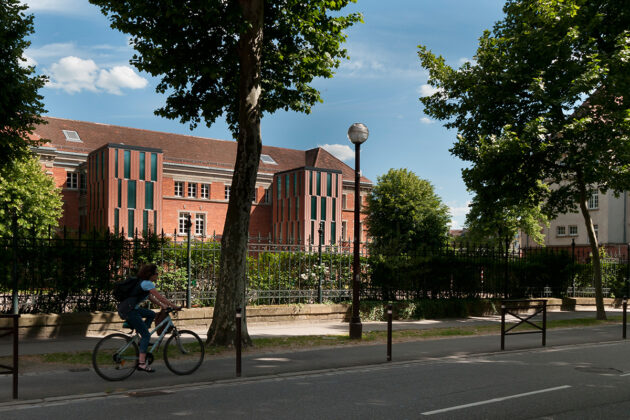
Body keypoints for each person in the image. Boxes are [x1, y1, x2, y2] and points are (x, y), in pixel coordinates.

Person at [117, 263, 180, 373]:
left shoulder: (142, 282)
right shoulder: (147, 284)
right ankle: (141, 363)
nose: (157, 275)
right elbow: (160, 297)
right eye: (156, 273)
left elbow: (151, 297)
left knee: (151, 314)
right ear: (151, 274)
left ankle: (142, 340)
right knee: (146, 334)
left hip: (128, 308)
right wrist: (174, 306)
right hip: (130, 311)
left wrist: (162, 306)